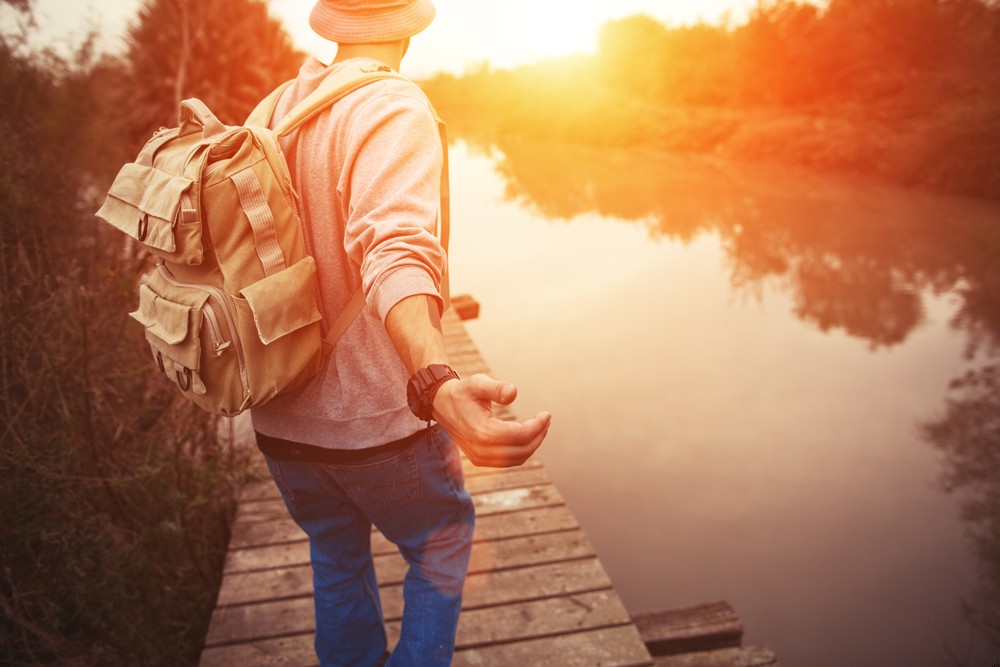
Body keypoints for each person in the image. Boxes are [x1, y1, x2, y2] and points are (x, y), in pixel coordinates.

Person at [249, 1, 551, 665]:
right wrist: (435, 377)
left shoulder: (270, 110)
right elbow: (396, 248)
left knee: (334, 551)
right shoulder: (392, 106)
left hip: (278, 421)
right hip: (375, 424)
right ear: (412, 24)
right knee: (442, 541)